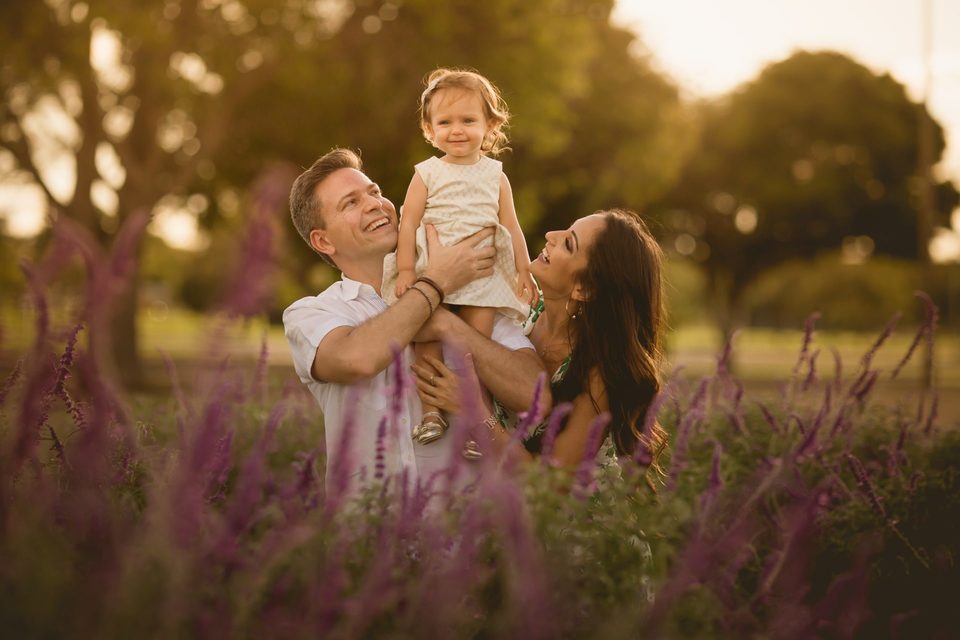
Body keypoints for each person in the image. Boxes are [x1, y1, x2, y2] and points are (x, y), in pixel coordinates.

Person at [282, 148, 547, 495]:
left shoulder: (470, 294)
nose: (375, 204)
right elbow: (355, 359)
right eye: (350, 203)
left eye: (374, 192)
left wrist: (447, 325)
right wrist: (435, 283)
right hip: (369, 540)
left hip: (463, 540)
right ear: (324, 240)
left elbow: (536, 394)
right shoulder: (314, 313)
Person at [413, 209, 669, 477]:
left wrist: (474, 412)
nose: (550, 236)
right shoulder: (516, 308)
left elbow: (552, 483)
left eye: (569, 243)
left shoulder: (600, 372)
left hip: (564, 515)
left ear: (585, 289)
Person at [381, 68, 537, 447]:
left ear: (490, 125)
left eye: (468, 120)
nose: (457, 130)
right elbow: (408, 222)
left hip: (483, 276)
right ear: (429, 129)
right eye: (445, 122)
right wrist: (405, 269)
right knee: (427, 340)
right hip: (431, 270)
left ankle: (476, 420)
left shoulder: (496, 176)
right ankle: (432, 411)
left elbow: (512, 227)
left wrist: (524, 271)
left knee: (475, 349)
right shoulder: (427, 173)